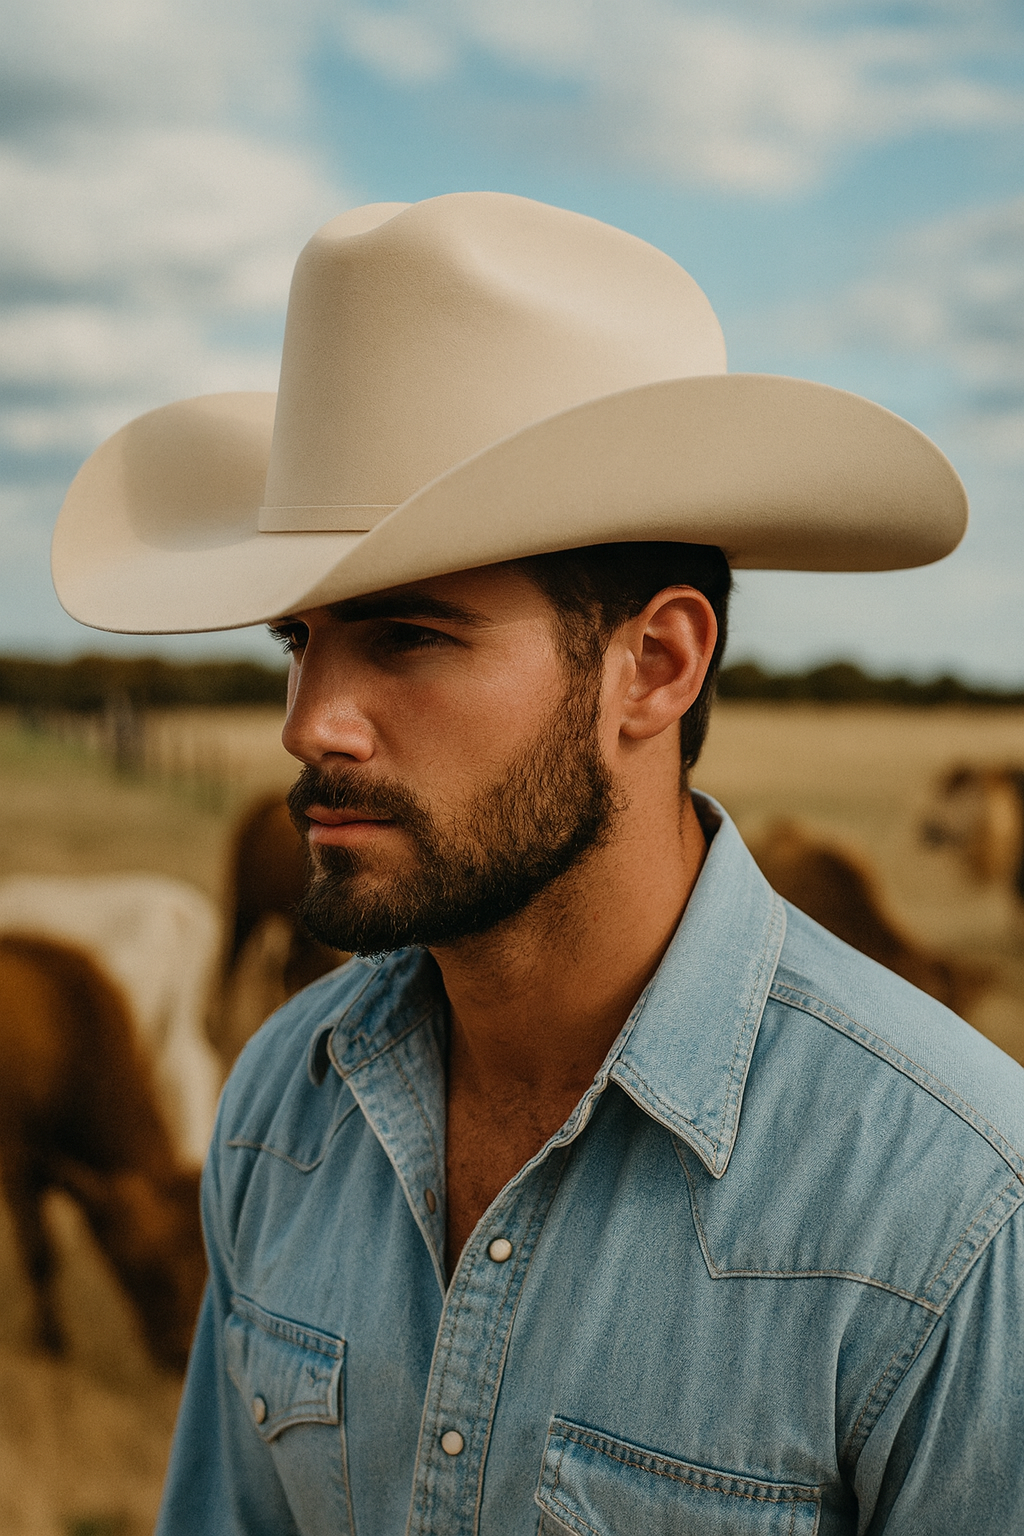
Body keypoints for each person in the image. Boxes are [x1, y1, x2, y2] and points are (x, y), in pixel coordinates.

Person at [53, 193, 1023, 1534]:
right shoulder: (286, 1103)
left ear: (655, 665)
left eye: (407, 637)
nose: (308, 721)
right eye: (300, 641)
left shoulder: (952, 1210)